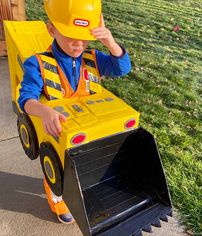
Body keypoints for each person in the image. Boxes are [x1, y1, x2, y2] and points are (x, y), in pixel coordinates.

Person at [18, 0, 131, 224]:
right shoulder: (37, 63)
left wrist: (109, 42)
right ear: (51, 29)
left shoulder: (93, 58)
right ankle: (56, 196)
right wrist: (44, 111)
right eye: (71, 35)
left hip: (87, 125)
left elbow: (122, 68)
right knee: (58, 169)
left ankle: (82, 189)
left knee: (85, 165)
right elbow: (26, 99)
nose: (79, 43)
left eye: (85, 36)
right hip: (58, 129)